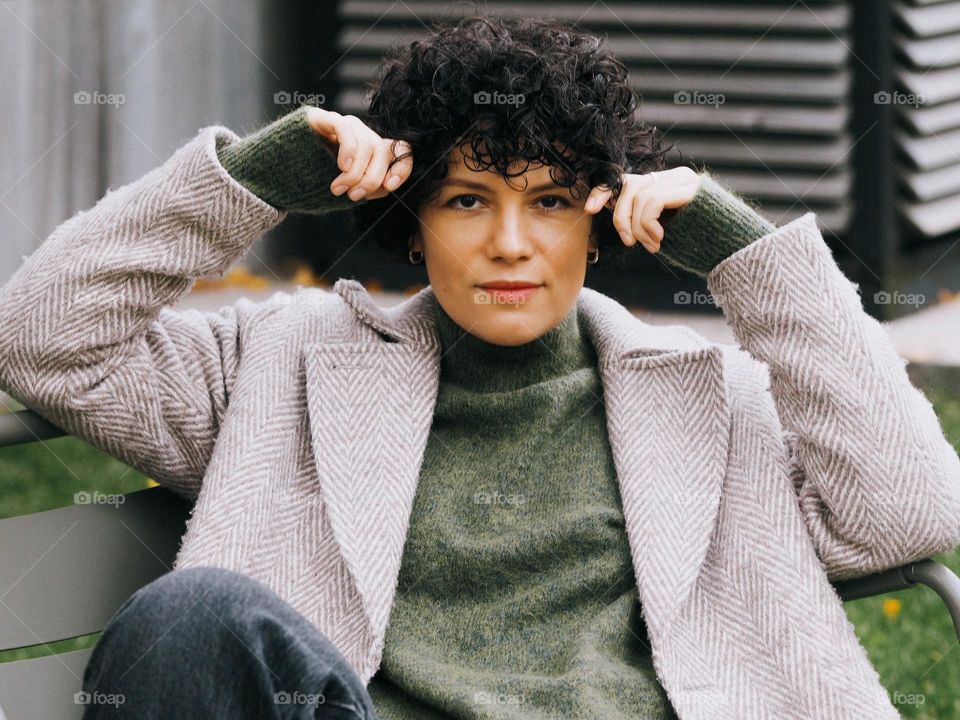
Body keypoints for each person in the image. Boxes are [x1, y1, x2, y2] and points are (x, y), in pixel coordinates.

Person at [1, 13, 958, 720]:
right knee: (189, 615)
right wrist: (251, 182)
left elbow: (910, 512)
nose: (510, 243)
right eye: (465, 201)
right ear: (410, 228)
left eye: (550, 201)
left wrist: (747, 257)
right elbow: (40, 337)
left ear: (602, 222)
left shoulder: (710, 399)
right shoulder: (280, 364)